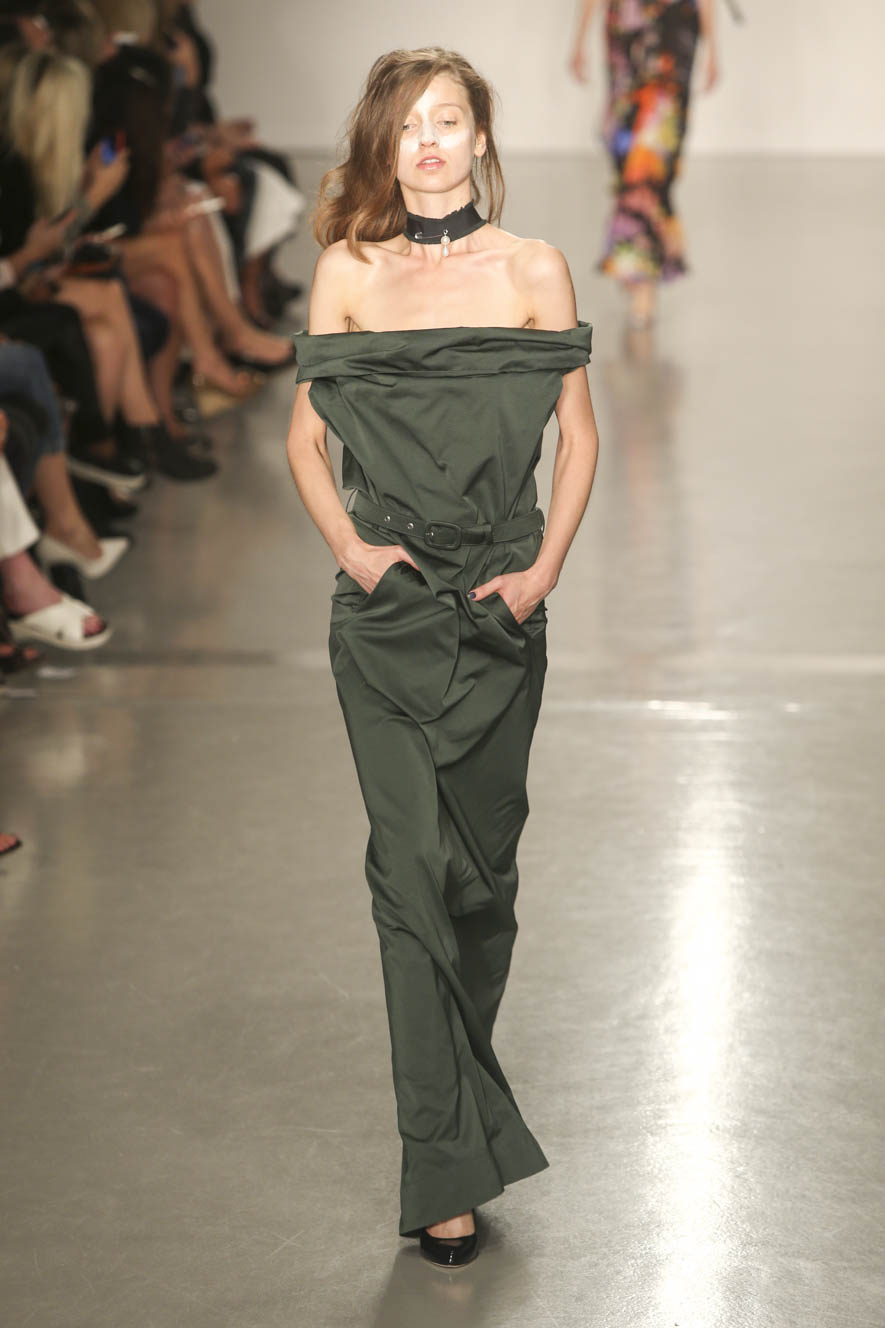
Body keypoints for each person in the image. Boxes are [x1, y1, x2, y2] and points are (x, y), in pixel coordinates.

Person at [286, 47, 599, 1268]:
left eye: (449, 119)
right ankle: (442, 1173)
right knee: (407, 877)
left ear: (480, 139)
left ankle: (459, 1129)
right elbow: (306, 442)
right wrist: (357, 556)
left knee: (481, 887)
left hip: (501, 610)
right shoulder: (346, 273)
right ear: (384, 144)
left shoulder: (532, 268)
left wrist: (544, 571)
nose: (428, 140)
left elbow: (577, 437)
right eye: (408, 123)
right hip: (387, 615)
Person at [570, 0, 719, 328]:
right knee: (622, 142)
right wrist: (579, 39)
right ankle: (641, 257)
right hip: (625, 25)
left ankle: (641, 277)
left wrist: (712, 46)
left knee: (653, 153)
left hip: (673, 29)